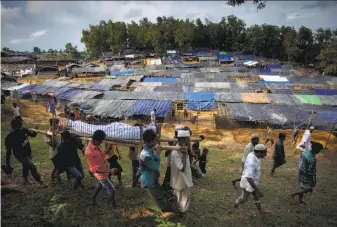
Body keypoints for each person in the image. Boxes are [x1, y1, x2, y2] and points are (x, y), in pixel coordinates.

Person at [139, 129, 176, 215]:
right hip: (148, 181)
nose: (155, 142)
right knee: (159, 197)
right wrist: (158, 154)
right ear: (147, 142)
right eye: (154, 141)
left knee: (156, 195)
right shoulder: (145, 154)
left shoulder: (149, 148)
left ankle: (151, 208)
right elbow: (155, 166)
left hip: (151, 179)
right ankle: (166, 213)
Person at [5, 119, 46, 187]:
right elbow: (8, 152)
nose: (20, 127)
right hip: (20, 155)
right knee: (32, 167)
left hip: (28, 151)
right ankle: (40, 182)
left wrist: (36, 129)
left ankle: (25, 180)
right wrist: (7, 163)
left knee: (26, 166)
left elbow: (33, 135)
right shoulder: (9, 137)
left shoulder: (23, 130)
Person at [85, 130, 116, 206]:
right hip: (101, 175)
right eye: (101, 141)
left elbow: (102, 154)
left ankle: (92, 200)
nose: (101, 142)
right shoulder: (89, 152)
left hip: (104, 173)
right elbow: (93, 170)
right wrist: (109, 170)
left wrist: (109, 148)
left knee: (99, 186)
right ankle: (111, 205)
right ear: (95, 140)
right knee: (112, 190)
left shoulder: (97, 146)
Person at [234, 144, 268, 214]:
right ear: (259, 152)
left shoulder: (253, 154)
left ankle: (260, 211)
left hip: (252, 181)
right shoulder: (252, 162)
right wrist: (257, 189)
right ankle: (236, 203)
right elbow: (249, 178)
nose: (266, 154)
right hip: (248, 183)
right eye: (265, 152)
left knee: (256, 196)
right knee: (244, 199)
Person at [170, 127, 193, 214]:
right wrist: (184, 155)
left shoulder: (183, 148)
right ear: (181, 139)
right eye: (186, 139)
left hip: (184, 177)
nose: (188, 141)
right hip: (180, 178)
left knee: (184, 195)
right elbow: (182, 168)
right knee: (180, 195)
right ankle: (180, 211)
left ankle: (181, 210)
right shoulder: (175, 152)